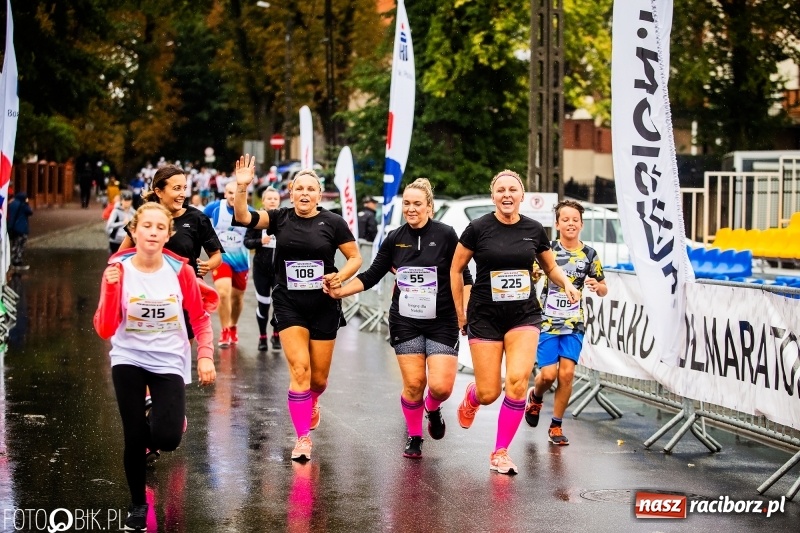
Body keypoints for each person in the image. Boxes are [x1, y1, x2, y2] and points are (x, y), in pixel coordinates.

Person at [93, 202, 217, 531]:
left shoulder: (180, 272)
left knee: (169, 437)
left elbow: (201, 320)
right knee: (134, 436)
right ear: (133, 231)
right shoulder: (118, 270)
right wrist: (108, 288)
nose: (152, 232)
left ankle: (158, 417)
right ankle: (137, 505)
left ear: (167, 234)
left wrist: (205, 354)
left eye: (160, 227)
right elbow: (105, 329)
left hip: (168, 361)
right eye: (146, 226)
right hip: (128, 359)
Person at [329, 178, 472, 458]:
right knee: (414, 383)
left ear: (429, 207)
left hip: (442, 319)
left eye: (417, 204)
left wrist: (463, 313)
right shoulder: (395, 238)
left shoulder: (446, 235)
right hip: (405, 320)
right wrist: (341, 292)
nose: (411, 209)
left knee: (441, 387)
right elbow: (371, 276)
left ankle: (433, 407)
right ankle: (415, 436)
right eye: (406, 203)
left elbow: (465, 276)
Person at [450, 169, 581, 475]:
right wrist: (460, 311)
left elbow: (550, 268)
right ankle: (473, 397)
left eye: (513, 190)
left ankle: (500, 452)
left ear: (522, 196)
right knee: (489, 392)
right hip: (485, 315)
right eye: (501, 190)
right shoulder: (478, 228)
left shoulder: (534, 229)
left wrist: (568, 283)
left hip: (524, 314)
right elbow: (456, 269)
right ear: (493, 195)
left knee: (518, 382)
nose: (507, 195)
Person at [232, 155, 362, 462]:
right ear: (291, 193)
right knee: (300, 370)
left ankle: (312, 399)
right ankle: (302, 438)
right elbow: (243, 217)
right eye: (299, 188)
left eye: (311, 189)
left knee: (318, 380)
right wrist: (242, 187)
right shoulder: (280, 218)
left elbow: (355, 258)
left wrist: (339, 276)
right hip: (289, 302)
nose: (304, 193)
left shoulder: (333, 223)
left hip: (324, 303)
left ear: (319, 194)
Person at [524, 200, 607, 445]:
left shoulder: (589, 254)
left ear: (581, 224)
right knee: (548, 375)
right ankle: (536, 397)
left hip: (574, 323)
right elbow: (530, 274)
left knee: (567, 374)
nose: (570, 223)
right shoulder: (546, 249)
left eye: (575, 220)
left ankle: (556, 426)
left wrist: (596, 286)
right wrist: (534, 273)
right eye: (565, 219)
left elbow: (603, 288)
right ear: (557, 224)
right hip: (547, 321)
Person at [119, 164, 223, 279]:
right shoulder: (144, 217)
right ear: (158, 192)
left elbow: (216, 256)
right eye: (177, 188)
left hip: (187, 289)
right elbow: (121, 257)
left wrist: (207, 265)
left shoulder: (197, 218)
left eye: (184, 188)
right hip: (150, 289)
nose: (183, 194)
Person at [204, 181, 251, 347]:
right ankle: (224, 331)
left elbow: (259, 234)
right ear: (225, 194)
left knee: (237, 298)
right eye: (230, 193)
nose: (233, 196)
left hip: (241, 260)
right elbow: (198, 224)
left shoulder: (250, 212)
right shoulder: (214, 208)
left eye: (236, 193)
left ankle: (233, 326)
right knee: (223, 293)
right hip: (221, 258)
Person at [243, 187, 282, 352]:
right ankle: (262, 337)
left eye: (275, 198)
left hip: (280, 270)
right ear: (263, 201)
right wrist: (261, 241)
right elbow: (247, 242)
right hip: (261, 269)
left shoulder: (284, 220)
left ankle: (276, 335)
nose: (273, 201)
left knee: (279, 304)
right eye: (269, 198)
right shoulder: (256, 220)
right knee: (264, 304)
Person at [7, 192, 33, 270]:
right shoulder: (23, 205)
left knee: (15, 245)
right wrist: (27, 203)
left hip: (14, 227)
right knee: (20, 245)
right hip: (22, 228)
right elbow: (30, 212)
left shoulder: (12, 204)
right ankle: (17, 262)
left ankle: (13, 261)